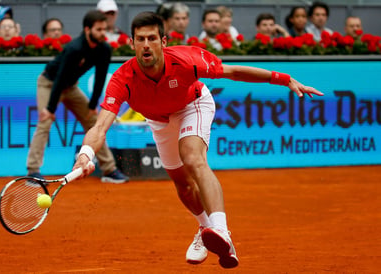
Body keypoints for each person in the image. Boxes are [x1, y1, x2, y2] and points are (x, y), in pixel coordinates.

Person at [73, 11, 323, 269]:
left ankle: (222, 230)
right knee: (182, 185)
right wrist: (86, 155)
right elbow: (100, 125)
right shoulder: (123, 79)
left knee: (192, 157)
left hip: (193, 104)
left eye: (151, 38)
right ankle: (206, 230)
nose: (146, 45)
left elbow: (234, 71)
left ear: (163, 42)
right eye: (140, 39)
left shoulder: (185, 61)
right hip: (159, 121)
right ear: (132, 43)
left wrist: (285, 80)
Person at [26, 10, 128, 184]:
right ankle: (33, 171)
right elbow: (59, 78)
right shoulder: (74, 48)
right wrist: (50, 109)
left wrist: (92, 105)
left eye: (104, 29)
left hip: (71, 87)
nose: (103, 33)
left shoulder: (104, 49)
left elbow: (100, 78)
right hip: (49, 83)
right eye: (99, 30)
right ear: (87, 30)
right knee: (45, 121)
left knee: (95, 122)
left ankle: (109, 169)